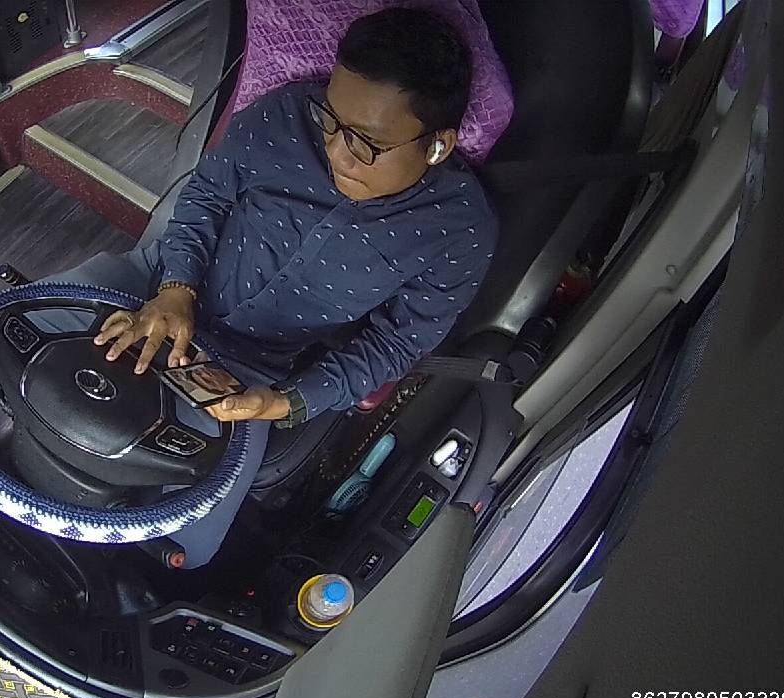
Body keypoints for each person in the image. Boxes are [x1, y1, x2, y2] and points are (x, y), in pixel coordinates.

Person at [44, 7, 497, 567]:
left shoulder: (460, 231)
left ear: (437, 146)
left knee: (184, 544)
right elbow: (206, 195)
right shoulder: (285, 114)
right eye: (332, 120)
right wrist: (176, 288)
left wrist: (286, 402)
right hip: (153, 283)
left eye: (366, 143)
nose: (335, 151)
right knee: (15, 326)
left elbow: (397, 343)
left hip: (248, 363)